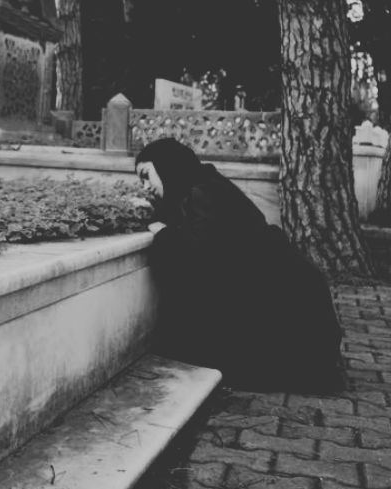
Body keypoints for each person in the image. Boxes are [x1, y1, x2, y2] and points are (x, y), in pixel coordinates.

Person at [135, 137, 344, 392]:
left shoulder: (203, 193)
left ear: (167, 167)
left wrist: (164, 236)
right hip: (290, 305)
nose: (145, 186)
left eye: (146, 176)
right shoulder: (202, 188)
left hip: (293, 315)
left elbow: (197, 259)